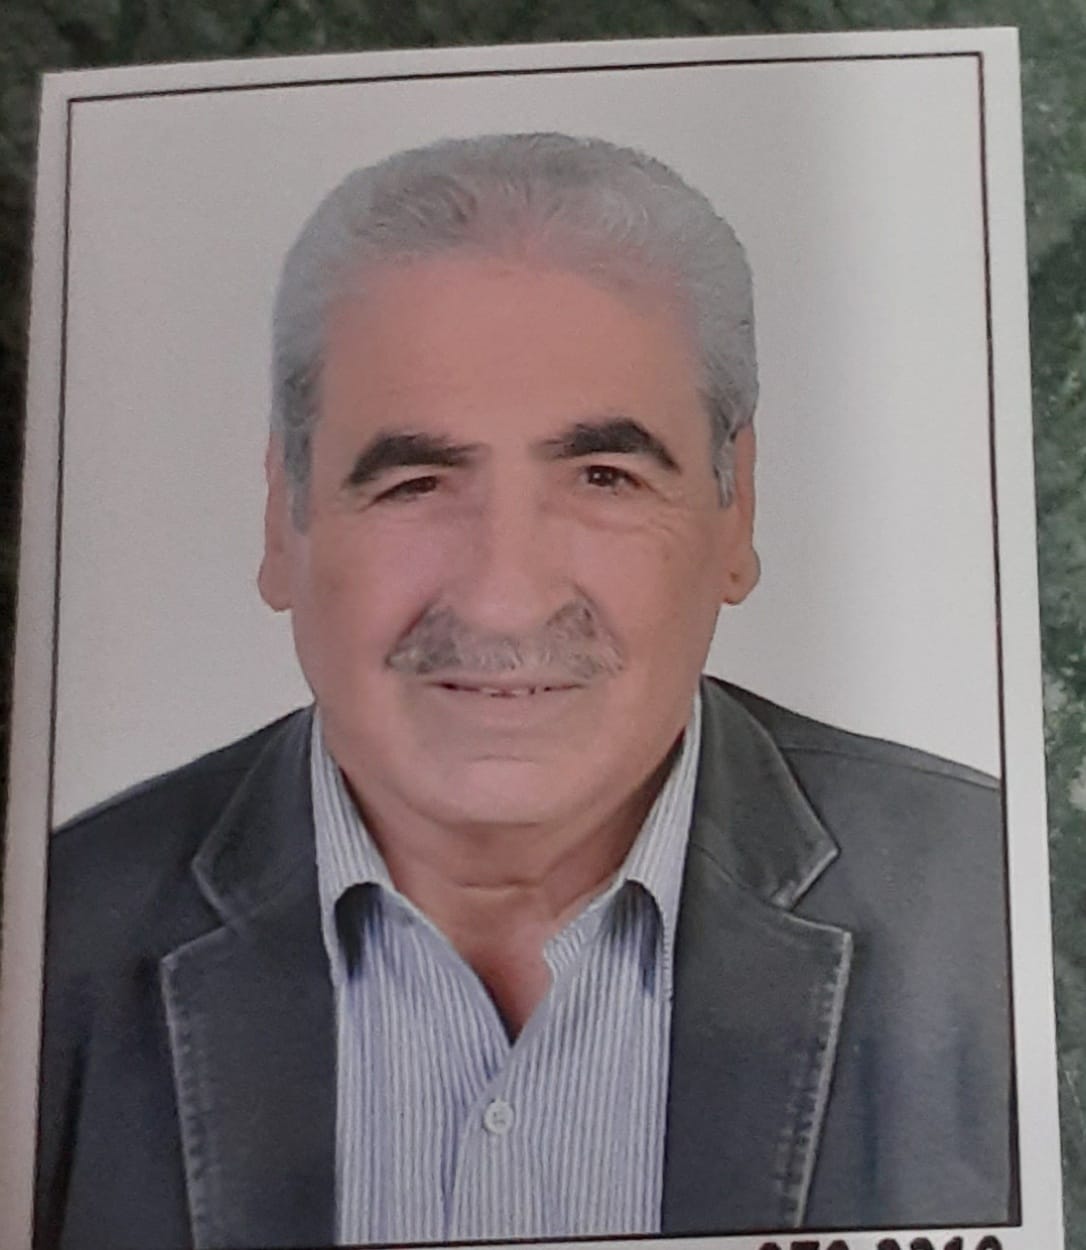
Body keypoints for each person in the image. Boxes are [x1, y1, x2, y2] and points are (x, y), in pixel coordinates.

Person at [35, 133, 1014, 1250]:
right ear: (281, 519)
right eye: (414, 482)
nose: (504, 601)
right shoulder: (48, 939)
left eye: (604, 477)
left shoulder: (1002, 912)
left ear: (735, 513)